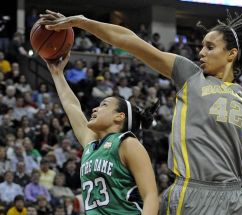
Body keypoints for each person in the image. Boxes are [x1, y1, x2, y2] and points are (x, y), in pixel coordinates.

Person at [40, 3, 242, 214]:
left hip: (235, 195)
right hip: (194, 190)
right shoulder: (190, 76)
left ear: (231, 54)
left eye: (210, 47)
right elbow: (129, 40)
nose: (201, 52)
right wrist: (82, 22)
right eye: (202, 46)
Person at [40, 15, 159, 215]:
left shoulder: (127, 143)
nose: (95, 109)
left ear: (119, 116)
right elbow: (72, 106)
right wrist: (57, 74)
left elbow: (151, 197)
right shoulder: (91, 144)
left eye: (104, 105)